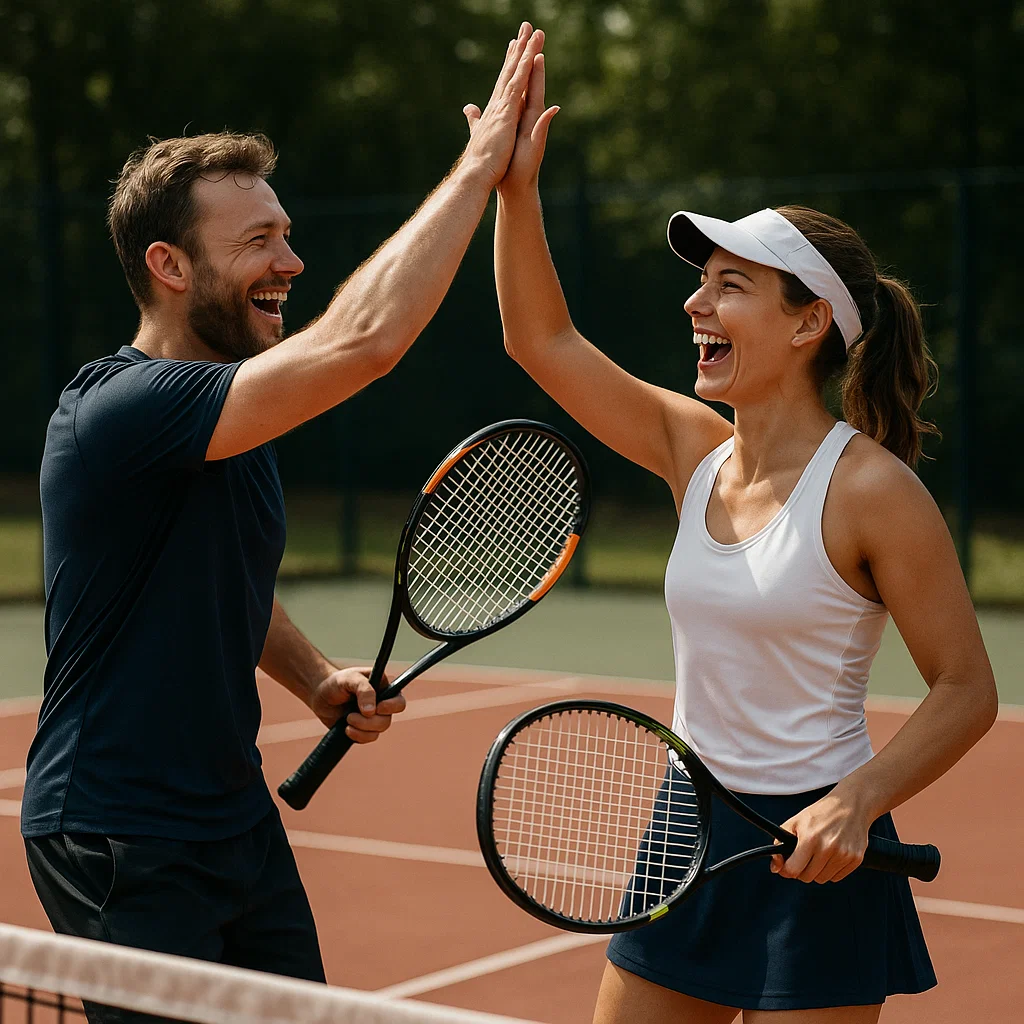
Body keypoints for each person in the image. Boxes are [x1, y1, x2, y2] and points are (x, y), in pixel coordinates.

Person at [21, 23, 547, 1003]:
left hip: (230, 817)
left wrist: (313, 679)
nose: (291, 260)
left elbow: (226, 584)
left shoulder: (232, 418)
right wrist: (480, 169)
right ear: (171, 267)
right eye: (259, 240)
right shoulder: (121, 409)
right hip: (116, 828)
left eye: (288, 234)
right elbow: (365, 342)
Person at [479, 50, 999, 1023]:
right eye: (700, 284)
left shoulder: (872, 491)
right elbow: (539, 342)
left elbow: (967, 687)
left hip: (822, 832)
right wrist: (515, 190)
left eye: (729, 286)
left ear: (808, 324)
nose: (694, 304)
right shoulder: (693, 449)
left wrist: (858, 798)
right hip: (688, 821)